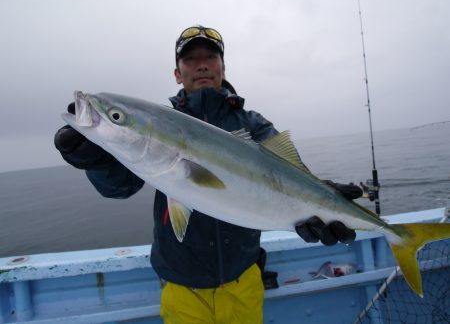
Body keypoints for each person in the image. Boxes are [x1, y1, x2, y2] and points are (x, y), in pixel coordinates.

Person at [54, 25, 362, 324]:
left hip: (243, 279)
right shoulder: (160, 123)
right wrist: (98, 162)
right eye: (190, 59)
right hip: (181, 286)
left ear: (223, 68)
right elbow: (119, 187)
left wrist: (323, 195)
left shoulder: (253, 125)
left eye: (210, 58)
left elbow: (291, 174)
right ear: (177, 72)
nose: (201, 65)